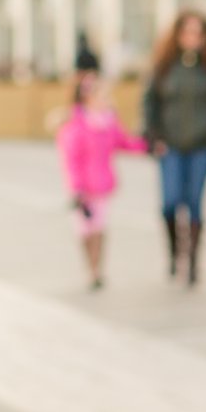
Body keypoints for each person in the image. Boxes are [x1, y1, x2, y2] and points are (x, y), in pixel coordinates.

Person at [142, 10, 206, 286]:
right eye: (187, 32)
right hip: (169, 143)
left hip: (203, 144)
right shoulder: (164, 66)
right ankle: (175, 252)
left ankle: (193, 263)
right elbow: (150, 102)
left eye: (198, 33)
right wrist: (153, 133)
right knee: (170, 202)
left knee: (194, 201)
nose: (192, 38)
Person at [57, 71, 147, 290]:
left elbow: (124, 142)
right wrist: (77, 189)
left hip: (102, 186)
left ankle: (96, 270)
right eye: (102, 97)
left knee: (99, 227)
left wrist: (147, 146)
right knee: (84, 230)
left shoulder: (109, 124)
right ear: (88, 98)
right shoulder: (75, 126)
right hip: (81, 190)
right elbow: (71, 161)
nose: (107, 101)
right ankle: (90, 265)